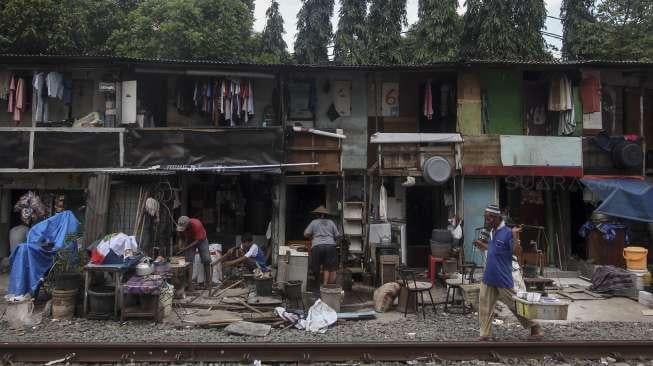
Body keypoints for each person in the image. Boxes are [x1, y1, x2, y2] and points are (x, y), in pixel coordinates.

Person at [474, 204, 543, 341]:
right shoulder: (492, 231)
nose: (486, 221)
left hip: (502, 278)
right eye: (485, 218)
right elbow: (494, 249)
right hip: (489, 276)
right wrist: (482, 245)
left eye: (488, 219)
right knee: (484, 306)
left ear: (496, 217)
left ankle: (535, 327)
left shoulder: (507, 232)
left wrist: (516, 236)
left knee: (515, 305)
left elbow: (517, 252)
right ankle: (485, 334)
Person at [304, 205, 340, 288]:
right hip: (330, 246)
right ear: (325, 214)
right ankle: (326, 285)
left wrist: (312, 236)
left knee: (316, 266)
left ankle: (317, 284)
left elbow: (305, 234)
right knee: (328, 267)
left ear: (317, 214)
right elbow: (337, 235)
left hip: (317, 246)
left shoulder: (314, 222)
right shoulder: (331, 222)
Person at [177, 216, 211, 287]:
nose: (182, 230)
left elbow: (197, 241)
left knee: (206, 259)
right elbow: (180, 237)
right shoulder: (180, 227)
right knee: (189, 261)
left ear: (188, 224)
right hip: (190, 240)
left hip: (201, 240)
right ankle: (189, 284)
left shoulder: (197, 225)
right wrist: (180, 247)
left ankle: (208, 283)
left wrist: (185, 248)